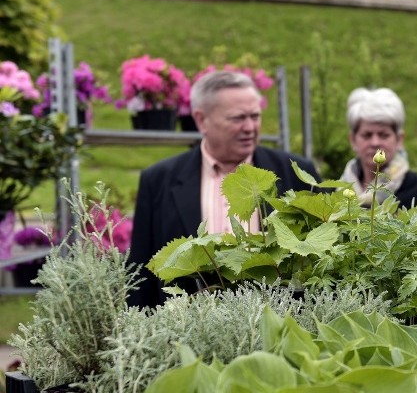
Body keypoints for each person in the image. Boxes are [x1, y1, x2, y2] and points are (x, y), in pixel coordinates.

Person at [128, 70, 321, 309]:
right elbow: (139, 275)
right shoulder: (158, 181)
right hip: (184, 332)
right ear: (201, 120)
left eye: (255, 116)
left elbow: (322, 262)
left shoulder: (295, 173)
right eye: (238, 118)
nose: (250, 127)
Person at [340, 87, 417, 208]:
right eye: (367, 135)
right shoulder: (337, 191)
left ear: (399, 139)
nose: (375, 142)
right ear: (353, 140)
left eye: (384, 135)